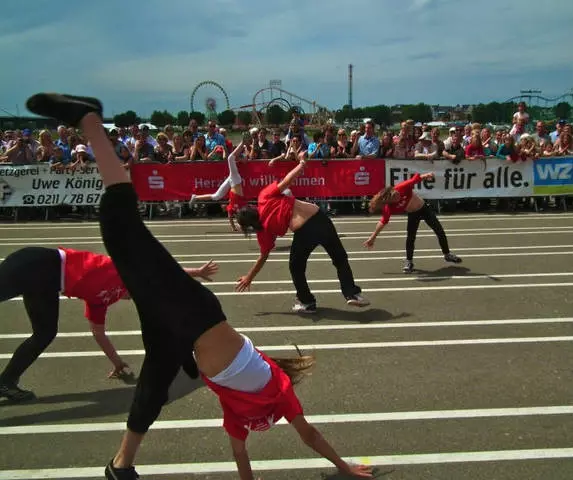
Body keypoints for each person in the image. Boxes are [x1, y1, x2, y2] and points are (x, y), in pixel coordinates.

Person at [25, 93, 373, 480]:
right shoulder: (278, 393)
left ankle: (121, 466)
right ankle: (90, 119)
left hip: (180, 332)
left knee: (152, 390)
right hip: (194, 313)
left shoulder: (240, 415)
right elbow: (309, 434)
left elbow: (241, 457)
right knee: (121, 228)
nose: (264, 427)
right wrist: (344, 468)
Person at [0, 246, 217, 402]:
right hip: (41, 263)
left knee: (45, 333)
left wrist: (117, 362)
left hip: (46, 285)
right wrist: (195, 272)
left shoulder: (102, 300)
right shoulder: (121, 271)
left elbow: (99, 333)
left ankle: (7, 382)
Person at [235, 160, 369, 313]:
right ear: (252, 208)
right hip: (320, 217)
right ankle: (352, 293)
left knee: (296, 267)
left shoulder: (263, 232)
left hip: (305, 231)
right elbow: (287, 181)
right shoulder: (263, 198)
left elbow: (263, 257)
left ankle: (307, 302)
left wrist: (249, 277)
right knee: (339, 258)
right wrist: (301, 164)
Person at [364, 172, 462, 273]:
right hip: (413, 214)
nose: (398, 196)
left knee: (439, 231)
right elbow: (383, 222)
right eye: (396, 198)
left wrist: (427, 175)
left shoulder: (401, 187)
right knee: (410, 238)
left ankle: (447, 255)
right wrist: (372, 237)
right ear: (390, 201)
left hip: (424, 209)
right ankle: (409, 261)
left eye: (397, 194)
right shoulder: (389, 208)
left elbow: (415, 179)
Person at [189, 136, 251, 232]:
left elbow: (230, 216)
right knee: (230, 158)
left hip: (232, 182)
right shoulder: (243, 208)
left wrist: (233, 227)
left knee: (216, 196)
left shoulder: (232, 209)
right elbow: (244, 160)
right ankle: (242, 142)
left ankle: (195, 197)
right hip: (235, 180)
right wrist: (243, 148)